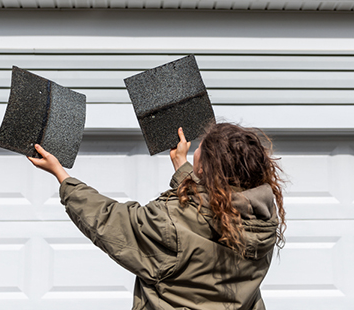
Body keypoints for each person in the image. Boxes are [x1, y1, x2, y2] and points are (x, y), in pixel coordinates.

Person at [29, 122, 287, 310]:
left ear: (205, 168)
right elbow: (216, 203)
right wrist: (184, 169)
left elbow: (109, 220)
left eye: (201, 150)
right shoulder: (262, 220)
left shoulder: (170, 221)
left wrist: (62, 176)